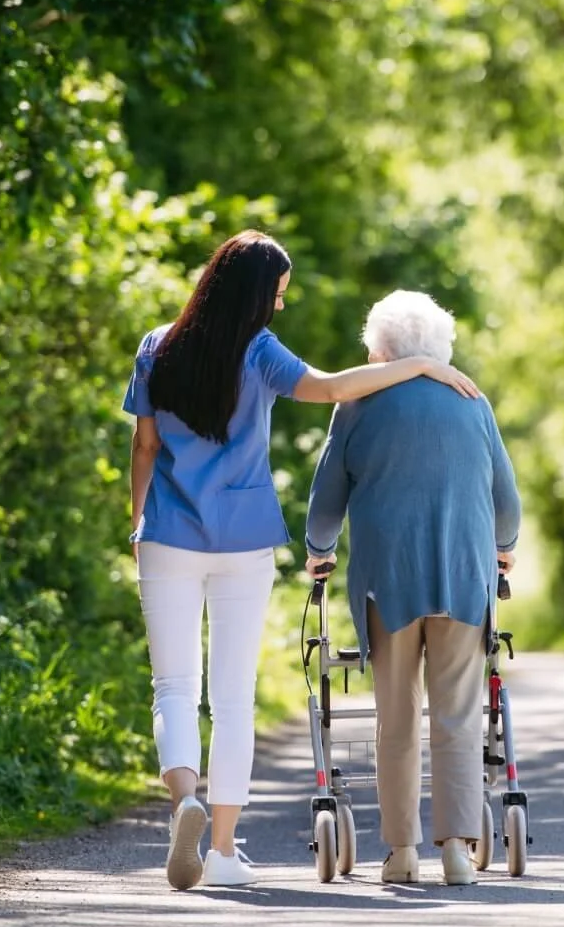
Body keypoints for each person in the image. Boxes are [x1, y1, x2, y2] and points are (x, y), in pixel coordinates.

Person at [124, 232, 480, 891]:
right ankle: (223, 851)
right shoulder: (258, 352)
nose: (280, 308)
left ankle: (185, 804)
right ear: (255, 295)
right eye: (278, 295)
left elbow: (144, 447)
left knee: (173, 687)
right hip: (244, 539)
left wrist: (137, 519)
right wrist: (421, 366)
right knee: (232, 697)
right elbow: (332, 387)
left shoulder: (157, 346)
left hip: (168, 535)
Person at [303, 290, 521, 886]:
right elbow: (506, 499)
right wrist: (504, 548)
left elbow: (326, 502)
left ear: (384, 349)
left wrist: (318, 555)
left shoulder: (356, 406)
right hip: (462, 574)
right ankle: (456, 849)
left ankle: (401, 853)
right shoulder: (473, 402)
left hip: (387, 583)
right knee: (456, 713)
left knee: (396, 717)